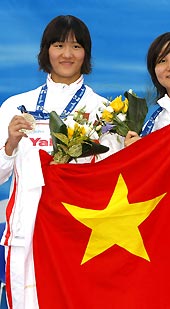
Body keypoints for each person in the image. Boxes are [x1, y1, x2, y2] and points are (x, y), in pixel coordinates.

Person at [0, 15, 120, 308]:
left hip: (80, 231)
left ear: (86, 54)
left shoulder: (104, 112)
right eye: (59, 45)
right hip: (27, 230)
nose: (67, 54)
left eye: (76, 46)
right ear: (46, 51)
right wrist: (10, 144)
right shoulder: (15, 106)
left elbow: (115, 179)